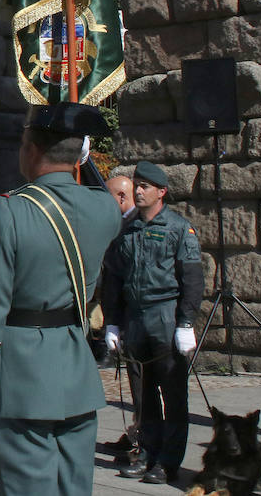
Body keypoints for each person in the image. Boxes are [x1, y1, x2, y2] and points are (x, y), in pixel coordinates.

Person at [0, 103, 123, 496]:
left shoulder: (9, 210)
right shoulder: (105, 207)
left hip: (20, 379)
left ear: (31, 149)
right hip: (76, 369)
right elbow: (96, 191)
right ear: (80, 155)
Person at [103, 160, 204, 486]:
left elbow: (192, 279)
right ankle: (146, 452)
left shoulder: (178, 228)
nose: (139, 190)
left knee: (173, 394)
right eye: (137, 184)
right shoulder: (126, 230)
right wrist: (113, 323)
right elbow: (114, 280)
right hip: (135, 316)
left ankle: (168, 461)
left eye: (146, 186)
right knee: (143, 394)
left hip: (166, 314)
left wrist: (186, 322)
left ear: (162, 192)